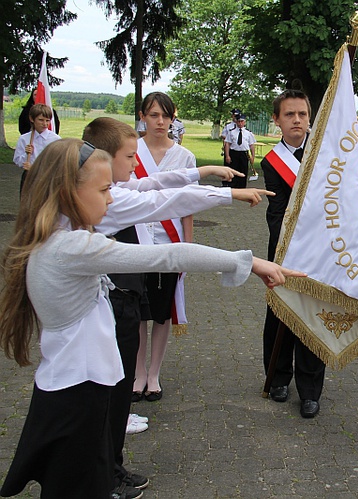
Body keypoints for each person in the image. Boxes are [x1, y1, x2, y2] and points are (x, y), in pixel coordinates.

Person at [0, 138, 302, 499]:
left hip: (76, 391)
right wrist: (249, 263)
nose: (111, 198)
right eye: (104, 189)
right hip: (76, 398)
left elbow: (155, 199)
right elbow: (168, 257)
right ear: (67, 192)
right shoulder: (71, 248)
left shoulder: (63, 238)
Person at [83, 116, 273, 498]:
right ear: (101, 160)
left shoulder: (110, 189)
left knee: (114, 390)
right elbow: (162, 203)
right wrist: (227, 196)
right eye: (129, 155)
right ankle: (105, 474)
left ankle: (108, 466)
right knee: (108, 392)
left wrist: (201, 170)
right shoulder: (111, 200)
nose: (136, 164)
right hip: (111, 304)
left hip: (114, 302)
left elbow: (154, 185)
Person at [261, 89, 326, 418]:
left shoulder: (325, 156)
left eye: (302, 114)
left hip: (319, 251)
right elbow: (277, 211)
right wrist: (286, 243)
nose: (297, 120)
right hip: (284, 251)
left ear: (310, 117)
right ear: (277, 120)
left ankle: (311, 389)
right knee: (280, 315)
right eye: (289, 114)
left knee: (313, 318)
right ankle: (278, 378)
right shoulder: (271, 161)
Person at [132, 92, 196, 404]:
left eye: (165, 116)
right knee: (136, 311)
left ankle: (154, 373)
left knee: (161, 312)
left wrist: (187, 246)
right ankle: (137, 374)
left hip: (169, 245)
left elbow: (188, 205)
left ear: (173, 119)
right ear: (143, 116)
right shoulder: (131, 151)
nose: (160, 122)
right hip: (134, 243)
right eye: (154, 115)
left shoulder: (184, 157)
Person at [13, 103, 61, 193]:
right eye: (41, 120)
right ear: (32, 119)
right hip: (29, 178)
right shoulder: (24, 138)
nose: (45, 124)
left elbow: (58, 161)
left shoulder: (55, 139)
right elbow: (17, 160)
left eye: (47, 120)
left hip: (46, 177)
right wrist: (25, 155)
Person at [224, 114, 257, 188]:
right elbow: (227, 144)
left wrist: (252, 156)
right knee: (233, 169)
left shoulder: (248, 133)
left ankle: (242, 186)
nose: (240, 123)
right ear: (236, 122)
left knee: (243, 170)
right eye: (238, 121)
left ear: (245, 122)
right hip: (234, 153)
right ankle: (232, 186)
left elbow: (252, 145)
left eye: (242, 121)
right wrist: (227, 155)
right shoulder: (231, 132)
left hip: (243, 153)